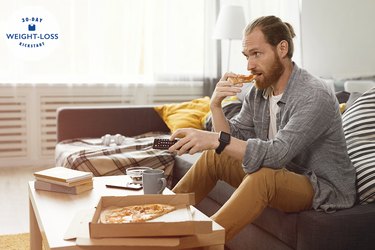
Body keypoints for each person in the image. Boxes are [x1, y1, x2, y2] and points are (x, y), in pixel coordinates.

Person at [168, 15, 357, 242]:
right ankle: (160, 219)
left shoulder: (314, 95)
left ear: (282, 49)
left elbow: (276, 155)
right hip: (284, 172)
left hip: (320, 185)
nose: (249, 65)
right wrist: (215, 106)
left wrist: (214, 139)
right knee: (214, 157)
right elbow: (232, 138)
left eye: (257, 54)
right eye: (247, 56)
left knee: (263, 176)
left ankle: (200, 244)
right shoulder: (260, 90)